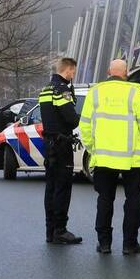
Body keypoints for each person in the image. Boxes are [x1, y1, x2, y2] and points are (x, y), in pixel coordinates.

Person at [79, 58, 140, 255]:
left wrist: (93, 148)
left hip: (104, 158)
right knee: (133, 200)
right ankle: (130, 244)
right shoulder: (134, 92)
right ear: (126, 73)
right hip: (133, 158)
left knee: (105, 199)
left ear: (108, 72)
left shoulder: (95, 92)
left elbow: (85, 126)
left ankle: (104, 244)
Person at [39, 57, 82, 245]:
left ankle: (50, 230)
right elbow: (71, 119)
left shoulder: (45, 89)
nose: (74, 75)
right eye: (74, 71)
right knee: (63, 189)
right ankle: (60, 230)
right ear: (69, 70)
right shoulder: (62, 90)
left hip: (49, 144)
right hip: (62, 144)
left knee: (51, 188)